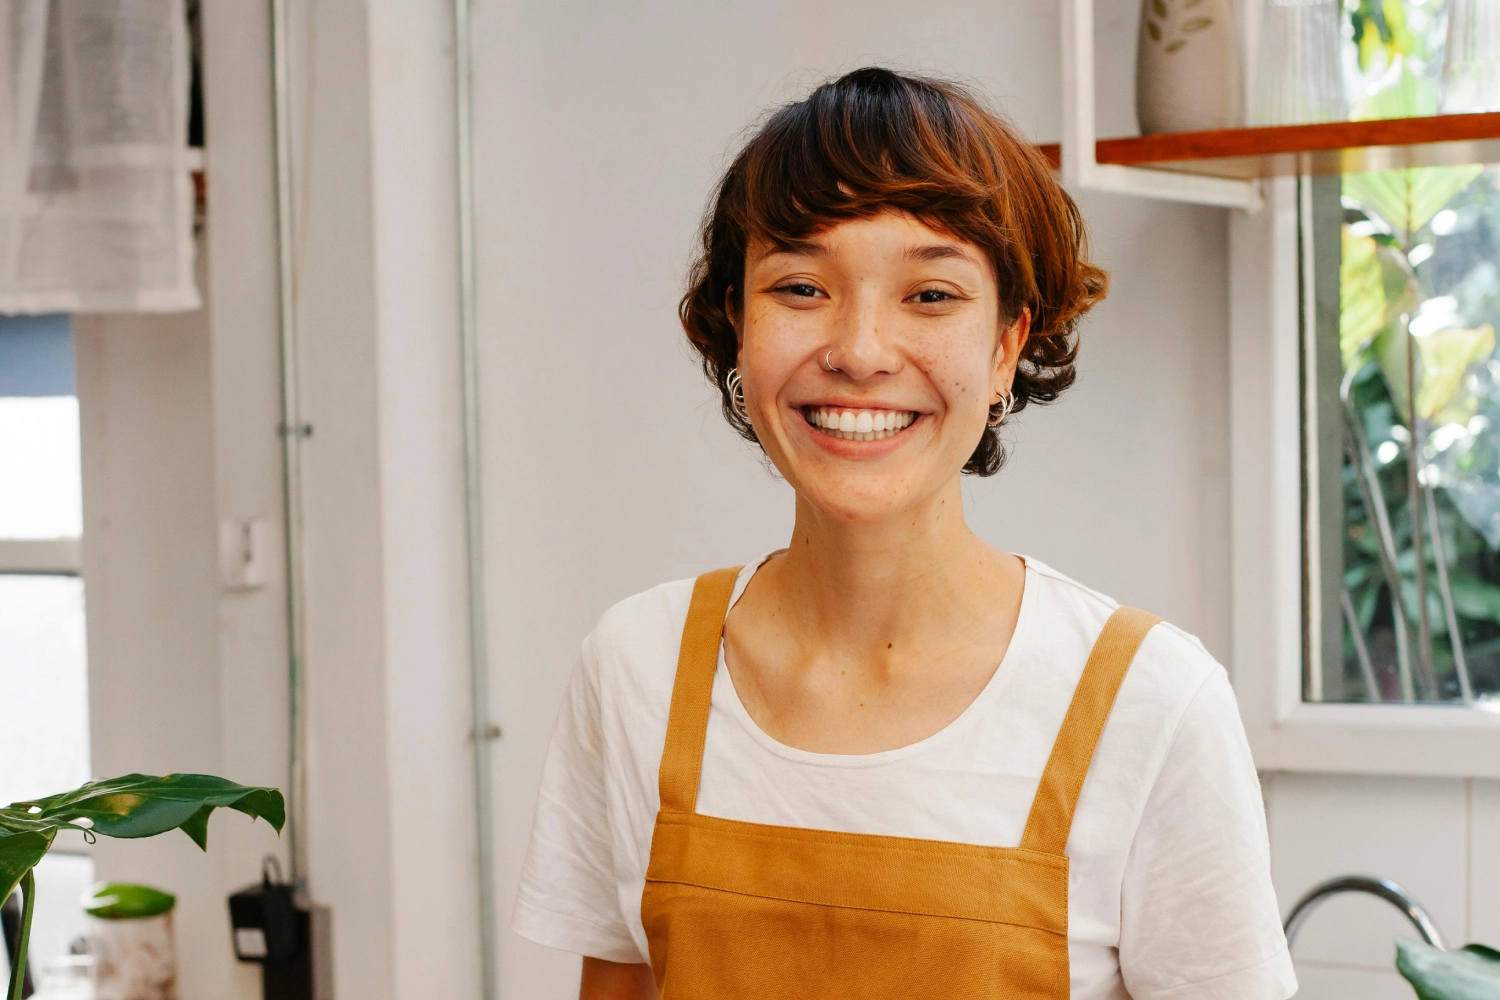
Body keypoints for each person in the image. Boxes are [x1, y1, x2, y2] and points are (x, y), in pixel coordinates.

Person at [512, 67, 1295, 1000]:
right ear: (737, 323)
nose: (860, 350)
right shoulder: (635, 666)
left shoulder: (1151, 705)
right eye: (801, 287)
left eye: (930, 296)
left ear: (1008, 343)